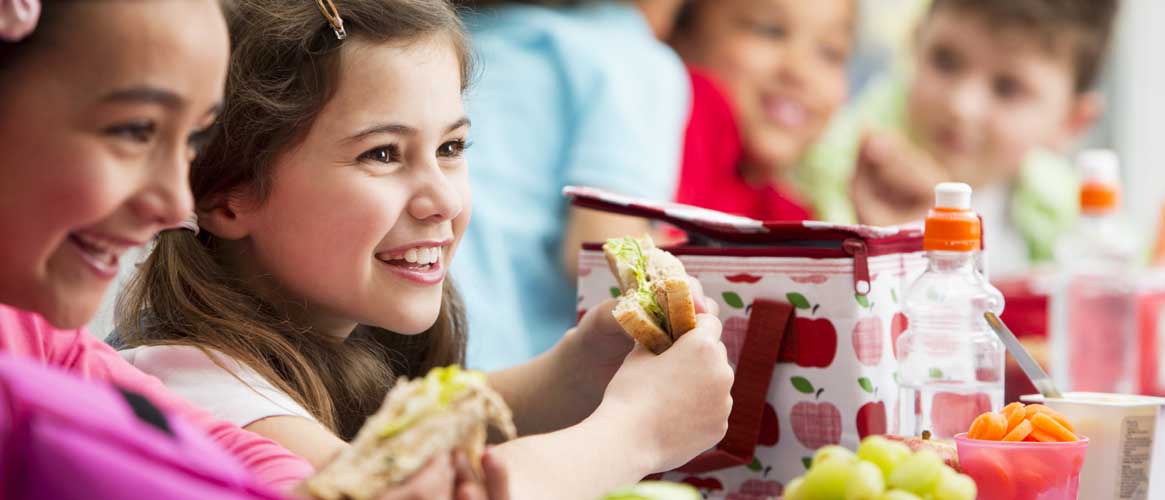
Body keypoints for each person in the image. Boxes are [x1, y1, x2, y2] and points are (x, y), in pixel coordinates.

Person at [115, 1, 734, 499]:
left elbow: (419, 439)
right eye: (382, 154)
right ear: (227, 197)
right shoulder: (192, 386)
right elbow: (398, 490)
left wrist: (581, 371)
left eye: (452, 149)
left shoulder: (331, 351)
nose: (443, 199)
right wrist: (633, 434)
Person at [0, 0, 314, 493]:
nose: (176, 205)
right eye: (135, 131)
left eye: (193, 140)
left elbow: (214, 450)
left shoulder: (33, 331)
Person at [797, 0, 1118, 275]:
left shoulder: (1067, 213)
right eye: (945, 60)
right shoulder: (825, 166)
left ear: (1072, 122)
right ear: (915, 42)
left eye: (1007, 88)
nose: (961, 106)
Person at [453, 0, 692, 369]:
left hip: (389, 322)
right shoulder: (632, 60)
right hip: (487, 351)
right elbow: (602, 248)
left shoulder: (464, 39)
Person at [669, 0, 856, 222]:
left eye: (830, 51)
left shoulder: (790, 219)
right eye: (769, 30)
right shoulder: (667, 137)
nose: (800, 71)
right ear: (678, 29)